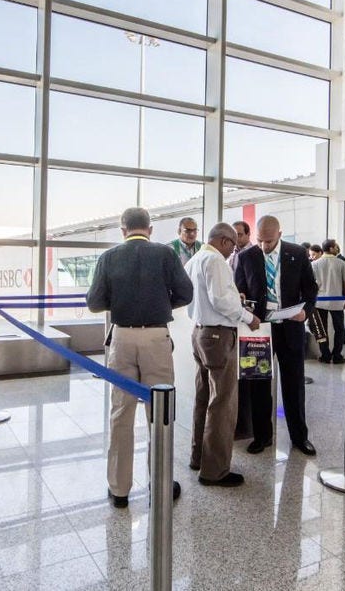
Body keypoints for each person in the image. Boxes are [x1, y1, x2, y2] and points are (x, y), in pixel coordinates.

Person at [87, 207, 193, 508]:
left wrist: (120, 301)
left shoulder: (109, 257)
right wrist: (162, 303)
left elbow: (94, 302)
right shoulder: (165, 254)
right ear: (150, 229)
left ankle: (119, 488)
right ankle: (159, 484)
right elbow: (186, 293)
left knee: (121, 412)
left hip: (122, 337)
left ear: (123, 230)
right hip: (156, 337)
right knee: (158, 413)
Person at [233, 215, 318, 456]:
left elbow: (310, 290)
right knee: (258, 385)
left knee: (294, 385)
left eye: (269, 241)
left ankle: (299, 437)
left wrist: (305, 312)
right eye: (260, 240)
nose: (264, 246)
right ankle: (262, 436)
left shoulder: (297, 254)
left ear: (280, 234)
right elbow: (239, 289)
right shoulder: (246, 257)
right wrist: (241, 300)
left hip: (290, 327)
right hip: (259, 330)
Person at [184, 223, 258, 488]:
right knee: (222, 403)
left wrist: (233, 298)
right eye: (233, 247)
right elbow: (221, 301)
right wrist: (247, 316)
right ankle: (214, 471)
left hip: (200, 333)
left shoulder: (195, 259)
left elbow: (202, 297)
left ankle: (198, 457)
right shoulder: (215, 260)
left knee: (203, 397)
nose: (232, 252)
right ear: (225, 241)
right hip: (218, 336)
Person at [311, 239, 345, 364]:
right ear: (332, 248)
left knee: (321, 330)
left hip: (319, 301)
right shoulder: (341, 263)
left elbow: (311, 285)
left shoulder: (315, 264)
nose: (336, 249)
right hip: (337, 301)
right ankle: (337, 355)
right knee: (339, 329)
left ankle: (325, 355)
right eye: (335, 247)